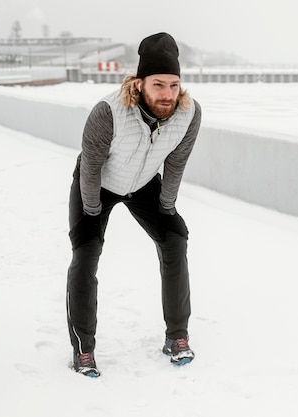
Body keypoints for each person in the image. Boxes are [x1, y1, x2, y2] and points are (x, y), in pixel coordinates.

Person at [66, 32, 202, 377]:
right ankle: (84, 350)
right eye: (159, 84)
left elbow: (175, 164)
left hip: (142, 185)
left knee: (175, 239)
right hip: (97, 185)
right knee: (86, 253)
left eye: (174, 85)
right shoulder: (108, 112)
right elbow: (92, 166)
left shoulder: (189, 114)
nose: (168, 94)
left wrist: (167, 209)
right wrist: (91, 216)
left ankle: (177, 337)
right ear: (139, 83)